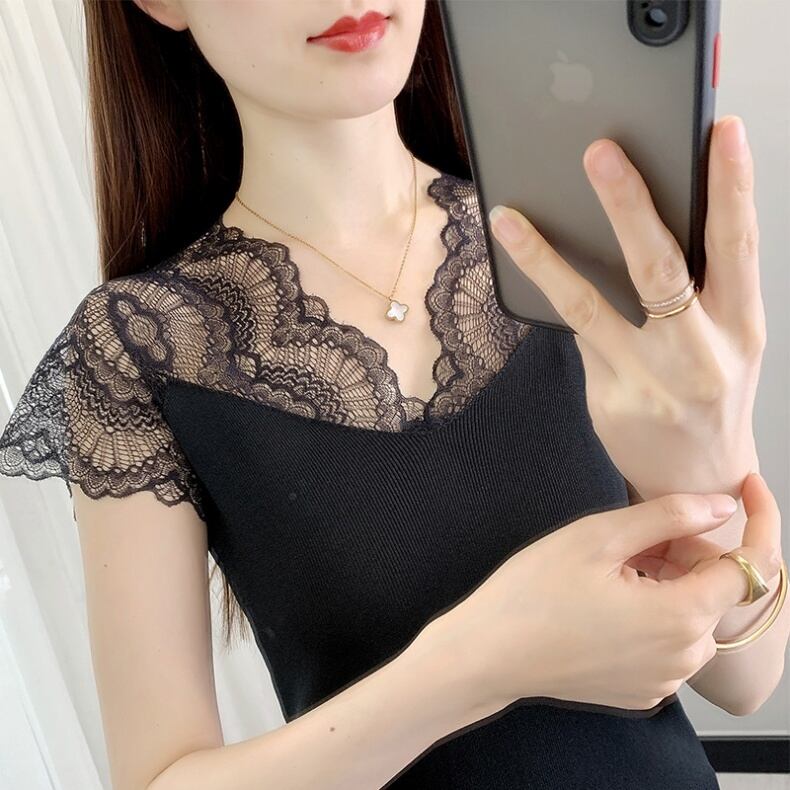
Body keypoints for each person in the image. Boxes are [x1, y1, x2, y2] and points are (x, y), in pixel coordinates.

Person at [0, 2, 786, 789]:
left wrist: (712, 451)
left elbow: (745, 683)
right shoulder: (139, 345)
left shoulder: (575, 238)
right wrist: (481, 662)